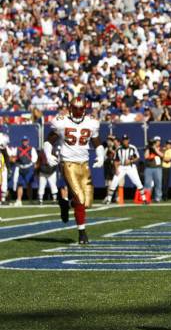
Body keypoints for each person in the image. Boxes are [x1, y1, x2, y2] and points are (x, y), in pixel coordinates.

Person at [45, 97, 106, 244]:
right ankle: (82, 233)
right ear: (71, 107)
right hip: (68, 163)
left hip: (84, 163)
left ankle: (64, 202)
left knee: (87, 202)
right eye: (76, 108)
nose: (79, 111)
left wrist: (100, 155)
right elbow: (49, 140)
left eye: (81, 108)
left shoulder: (91, 122)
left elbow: (96, 141)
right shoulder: (61, 121)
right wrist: (48, 154)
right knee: (79, 199)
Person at [103, 135, 147, 205]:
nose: (125, 141)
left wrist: (131, 161)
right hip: (121, 167)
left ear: (128, 140)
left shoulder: (132, 148)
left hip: (131, 167)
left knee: (138, 182)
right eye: (124, 140)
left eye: (126, 140)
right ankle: (108, 200)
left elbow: (137, 157)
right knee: (114, 182)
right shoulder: (119, 149)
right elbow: (115, 160)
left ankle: (144, 199)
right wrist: (117, 169)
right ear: (122, 141)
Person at [14, 136, 38, 206]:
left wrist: (32, 164)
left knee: (29, 184)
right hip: (21, 168)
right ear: (22, 141)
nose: (25, 142)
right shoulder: (18, 149)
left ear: (28, 141)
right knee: (20, 184)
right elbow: (15, 158)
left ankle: (30, 200)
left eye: (26, 140)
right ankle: (19, 200)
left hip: (28, 167)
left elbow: (34, 159)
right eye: (23, 141)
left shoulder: (31, 149)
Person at [144, 136, 164, 203]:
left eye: (158, 141)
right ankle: (147, 198)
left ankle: (158, 198)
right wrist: (148, 148)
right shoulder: (148, 148)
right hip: (148, 168)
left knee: (158, 183)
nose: (157, 142)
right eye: (155, 141)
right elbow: (146, 156)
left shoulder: (161, 148)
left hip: (157, 168)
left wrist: (155, 148)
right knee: (147, 183)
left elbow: (162, 155)